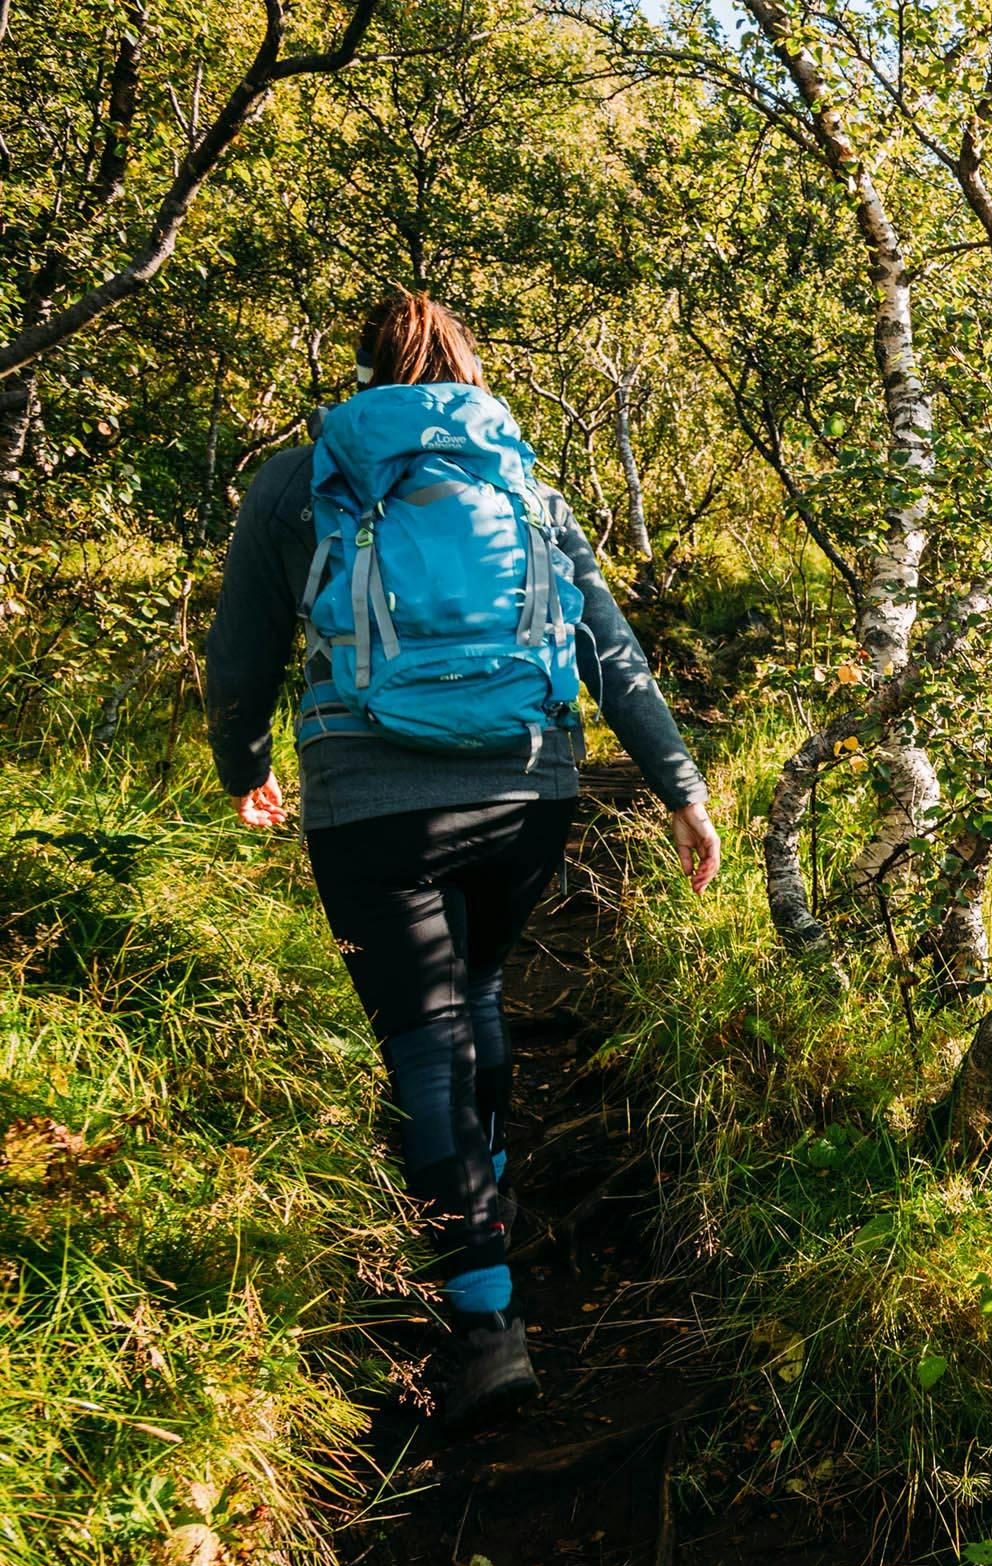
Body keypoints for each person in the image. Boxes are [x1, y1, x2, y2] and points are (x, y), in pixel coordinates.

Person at [202, 292, 720, 1433]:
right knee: (474, 986)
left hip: (368, 799)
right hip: (527, 789)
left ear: (364, 370)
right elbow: (610, 650)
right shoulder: (524, 478)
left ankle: (483, 1313)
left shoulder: (302, 479)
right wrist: (679, 784)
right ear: (464, 371)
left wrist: (241, 760)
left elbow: (241, 652)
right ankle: (482, 1185)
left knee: (419, 1034)